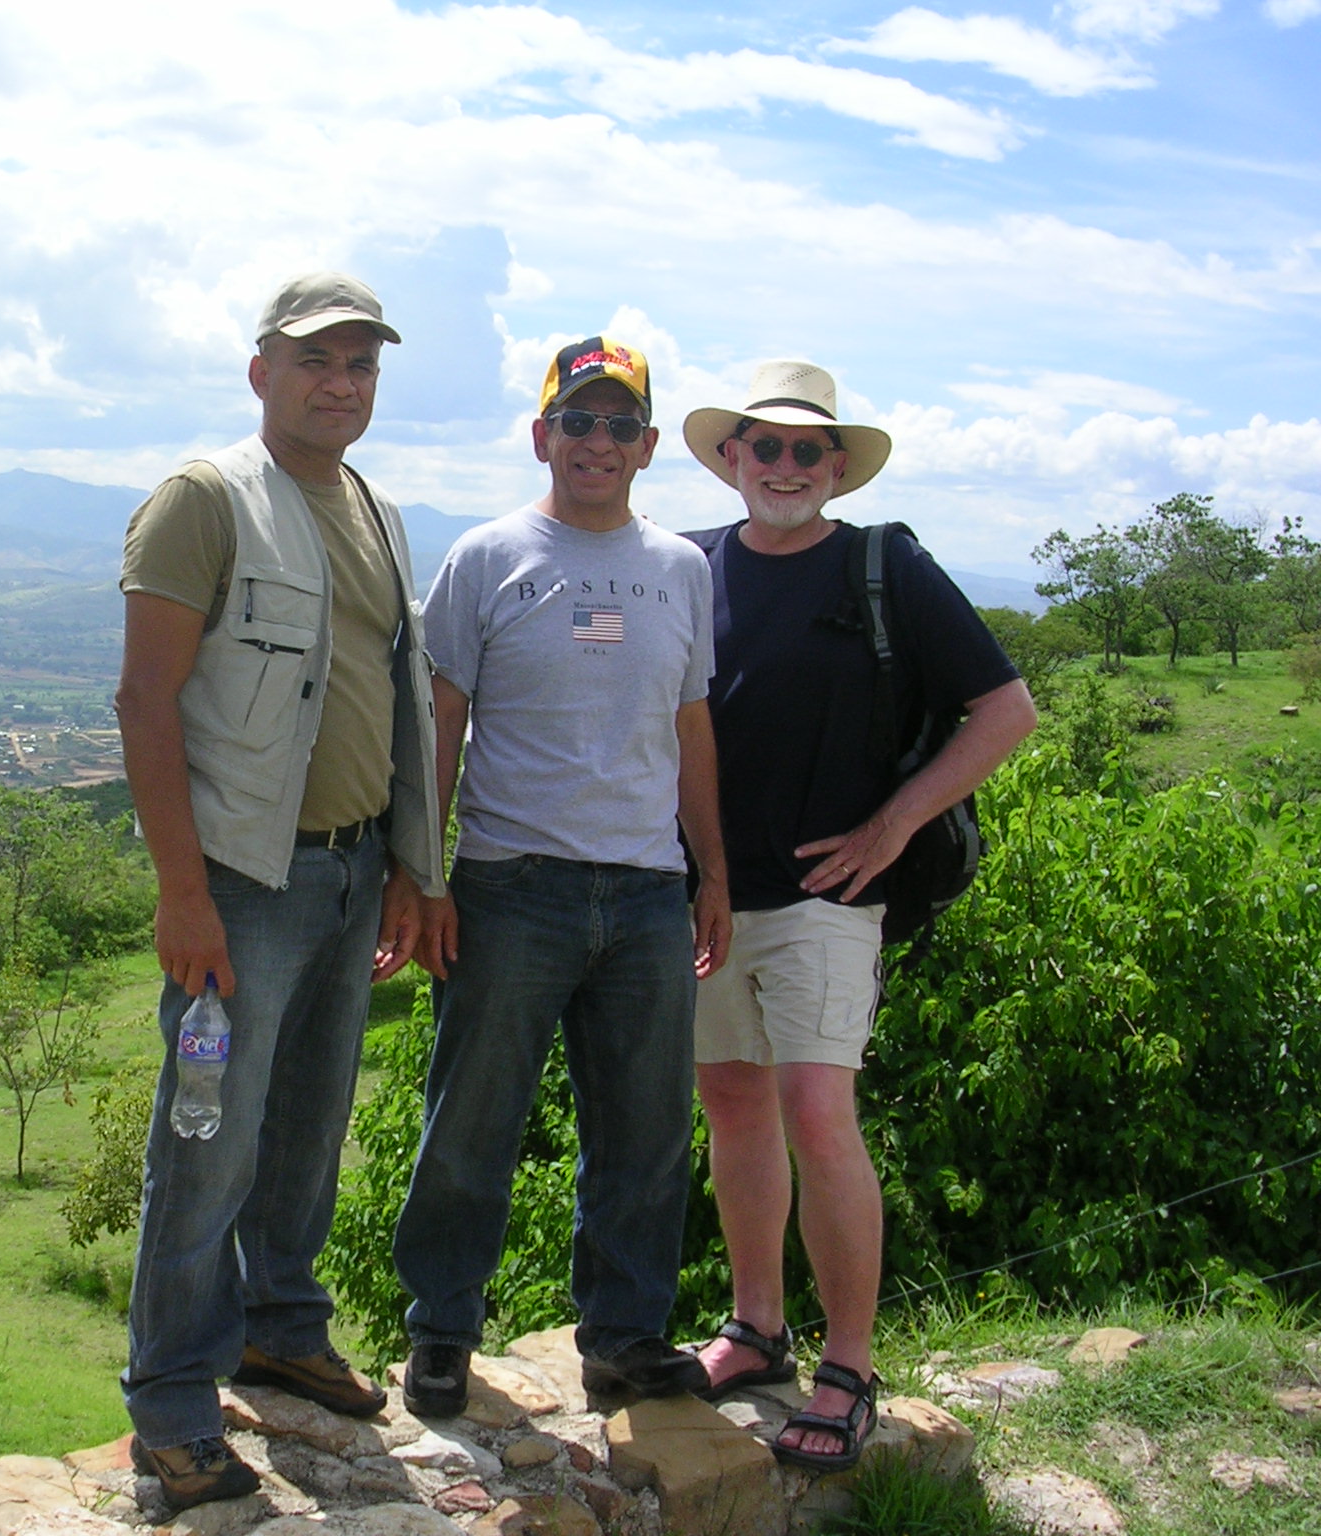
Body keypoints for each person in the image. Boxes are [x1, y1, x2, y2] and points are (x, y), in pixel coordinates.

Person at [113, 272, 446, 1511]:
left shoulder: (374, 508)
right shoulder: (207, 501)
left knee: (308, 1125)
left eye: (361, 363)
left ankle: (282, 1325)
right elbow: (146, 703)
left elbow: (393, 693)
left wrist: (414, 866)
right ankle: (172, 1402)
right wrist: (180, 891)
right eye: (317, 360)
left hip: (356, 869)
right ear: (261, 371)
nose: (341, 382)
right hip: (245, 882)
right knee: (207, 1136)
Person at [680, 361, 1037, 1471]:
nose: (781, 465)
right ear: (731, 457)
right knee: (733, 1107)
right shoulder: (688, 567)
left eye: (804, 450)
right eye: (762, 445)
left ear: (833, 467)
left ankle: (846, 1366)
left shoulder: (882, 566)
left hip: (831, 900)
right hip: (709, 901)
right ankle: (755, 1326)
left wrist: (892, 827)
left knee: (817, 1114)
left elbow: (1005, 709)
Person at [391, 337, 731, 1418]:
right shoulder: (487, 558)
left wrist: (709, 869)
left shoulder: (679, 567)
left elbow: (689, 727)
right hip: (509, 882)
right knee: (471, 1123)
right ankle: (441, 1332)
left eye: (618, 424)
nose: (596, 441)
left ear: (643, 449)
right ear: (541, 436)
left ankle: (624, 1337)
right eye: (576, 422)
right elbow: (438, 721)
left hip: (642, 892)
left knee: (641, 1134)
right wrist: (425, 873)